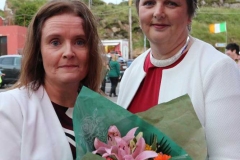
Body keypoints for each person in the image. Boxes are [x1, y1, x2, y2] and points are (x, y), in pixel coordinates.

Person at [117, 0, 240, 159]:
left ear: (189, 15)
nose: (158, 13)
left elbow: (229, 155)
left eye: (171, 3)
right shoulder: (131, 72)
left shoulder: (218, 68)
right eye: (149, 3)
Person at [0, 0, 102, 159]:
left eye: (79, 42)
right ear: (39, 52)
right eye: (55, 42)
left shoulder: (104, 113)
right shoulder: (9, 109)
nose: (68, 52)